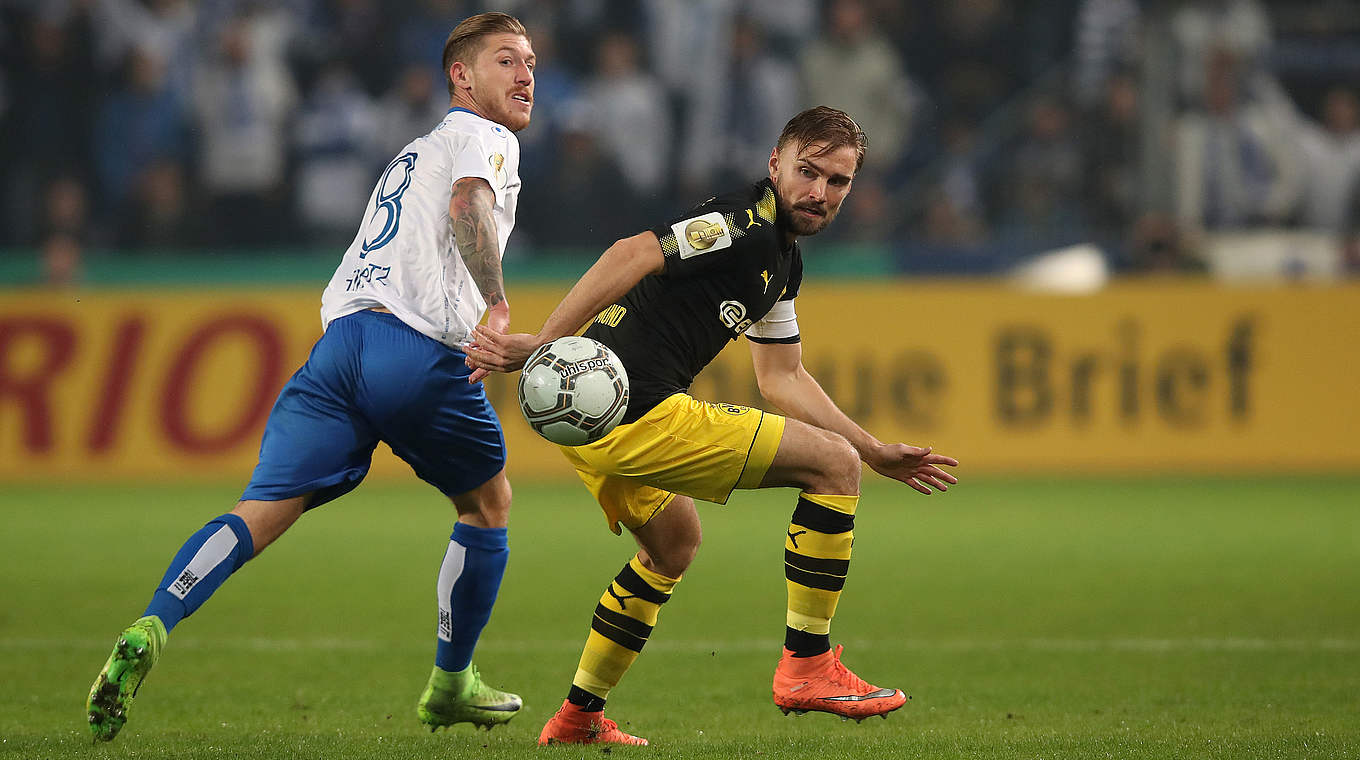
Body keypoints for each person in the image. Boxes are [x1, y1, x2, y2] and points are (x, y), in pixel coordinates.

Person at [86, 12, 535, 741]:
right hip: (415, 349)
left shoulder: (410, 153)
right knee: (488, 504)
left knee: (261, 509)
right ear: (462, 76)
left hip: (339, 348)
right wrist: (497, 302)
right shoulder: (485, 139)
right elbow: (467, 205)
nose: (526, 77)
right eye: (507, 61)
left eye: (532, 63)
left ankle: (154, 622)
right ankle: (451, 684)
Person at [465, 106, 959, 746]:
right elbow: (634, 251)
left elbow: (781, 376)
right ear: (774, 164)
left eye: (837, 181)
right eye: (807, 172)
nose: (819, 193)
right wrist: (545, 345)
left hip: (589, 418)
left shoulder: (784, 261)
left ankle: (577, 718)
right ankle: (807, 666)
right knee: (831, 467)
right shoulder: (742, 223)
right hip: (629, 404)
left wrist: (872, 449)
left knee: (673, 544)